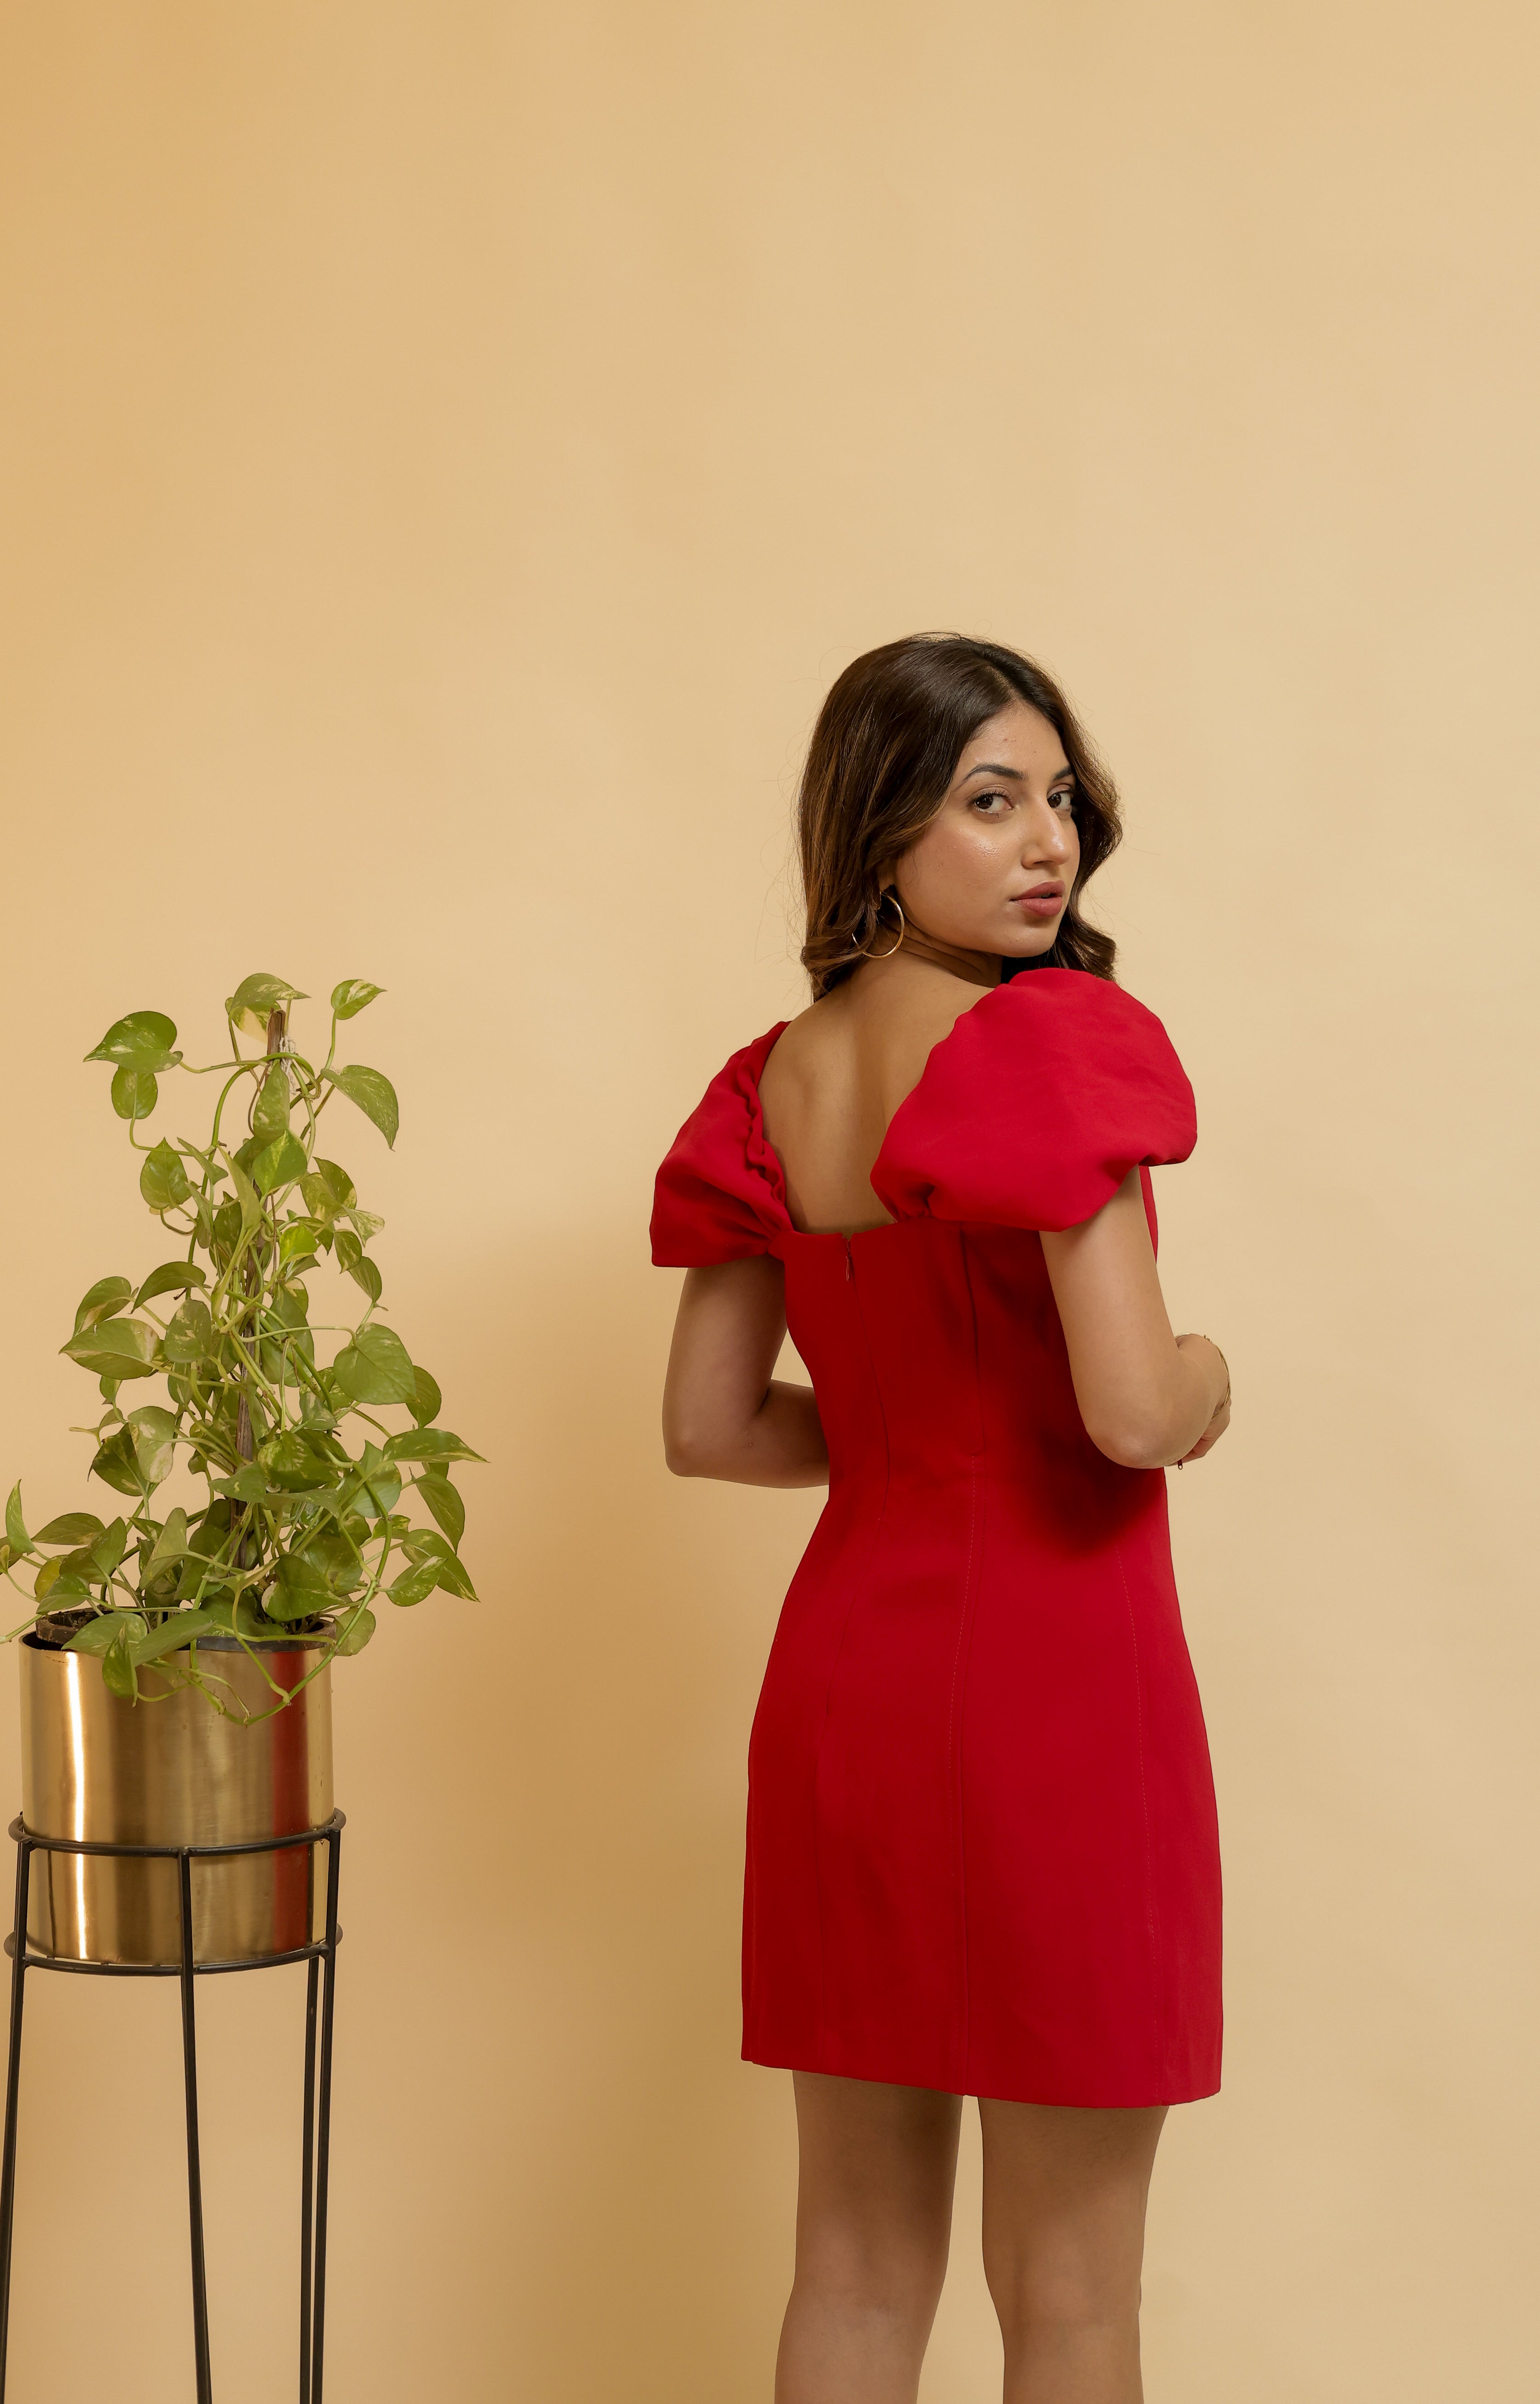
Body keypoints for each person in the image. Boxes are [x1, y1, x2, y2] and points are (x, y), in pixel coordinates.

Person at [651, 633, 1230, 2404]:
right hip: (1060, 1692)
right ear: (880, 829)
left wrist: (918, 1442)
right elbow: (1132, 1411)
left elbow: (712, 1428)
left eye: (1059, 799)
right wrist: (1209, 1373)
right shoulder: (1051, 1046)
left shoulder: (772, 1083)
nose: (1046, 840)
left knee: (850, 2274)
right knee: (1071, 2299)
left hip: (852, 1702)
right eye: (990, 801)